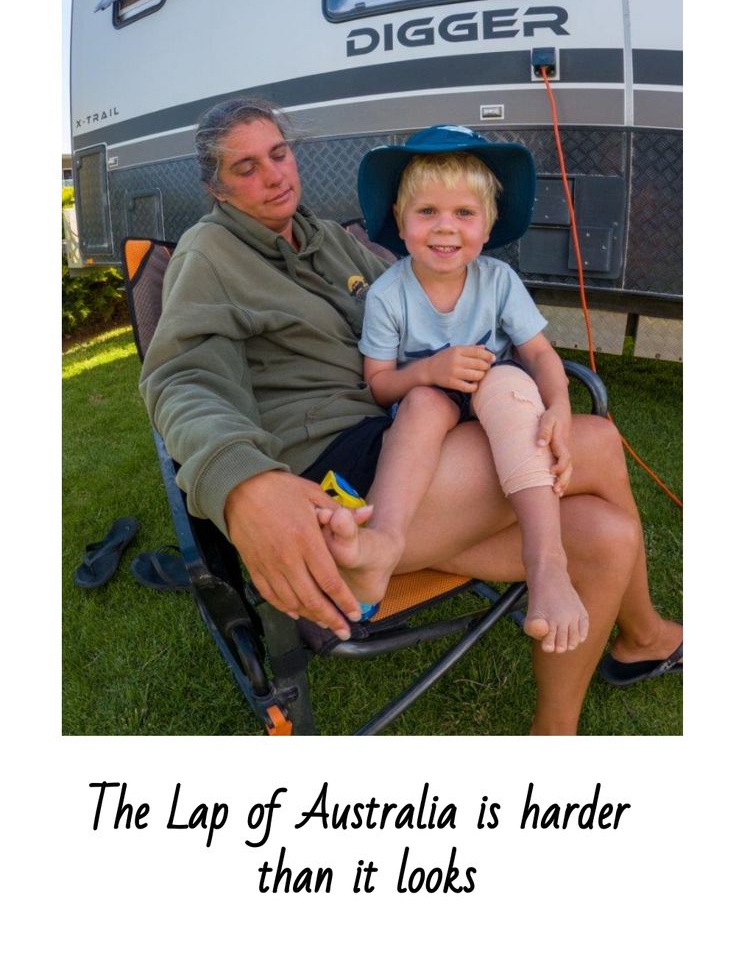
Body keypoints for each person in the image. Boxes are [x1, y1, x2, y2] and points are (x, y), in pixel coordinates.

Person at [140, 95, 682, 735]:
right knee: (594, 443)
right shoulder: (211, 253)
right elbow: (181, 375)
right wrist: (242, 479)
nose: (274, 176)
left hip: (406, 446)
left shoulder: (327, 242)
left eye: (279, 154)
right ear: (215, 188)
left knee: (603, 536)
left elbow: (423, 294)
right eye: (246, 168)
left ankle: (555, 734)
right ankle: (643, 630)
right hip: (337, 482)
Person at [317, 126, 586, 654]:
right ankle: (381, 548)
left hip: (499, 406)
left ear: (488, 227)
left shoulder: (498, 280)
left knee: (509, 380)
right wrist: (427, 371)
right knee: (419, 402)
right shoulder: (389, 294)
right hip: (432, 412)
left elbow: (538, 355)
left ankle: (546, 561)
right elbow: (378, 385)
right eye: (427, 212)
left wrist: (560, 407)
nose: (446, 228)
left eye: (464, 214)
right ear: (400, 221)